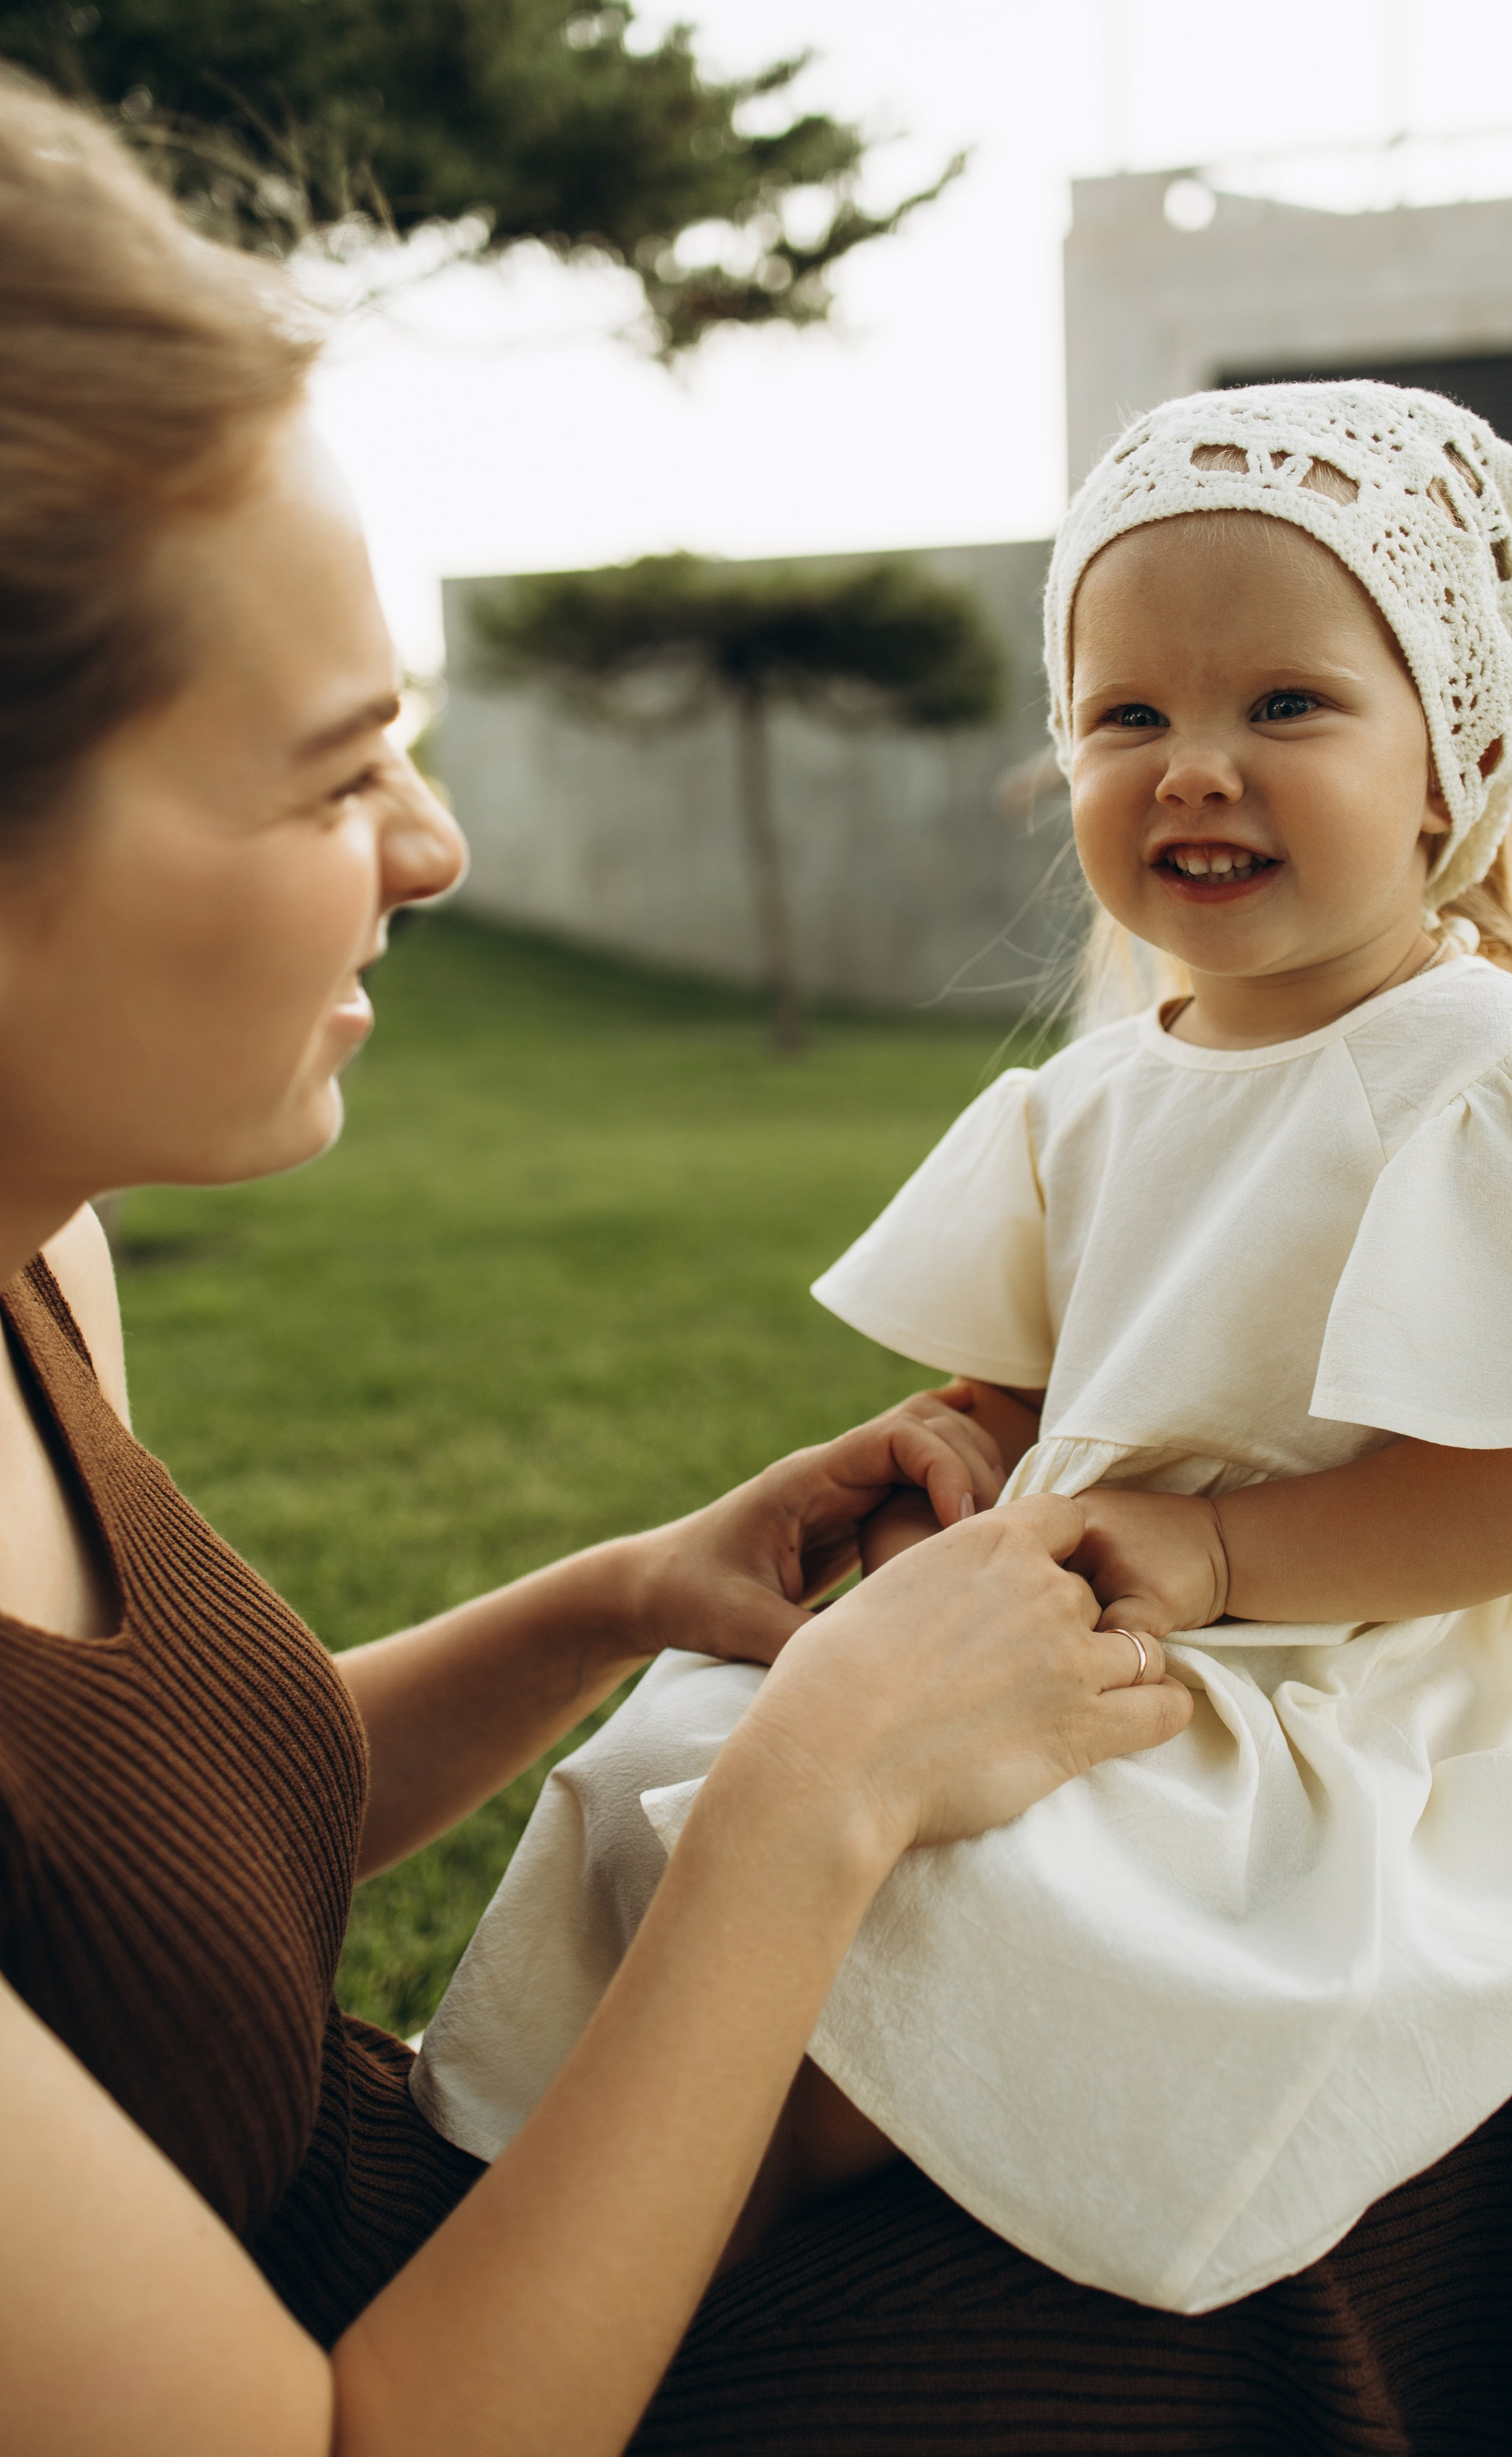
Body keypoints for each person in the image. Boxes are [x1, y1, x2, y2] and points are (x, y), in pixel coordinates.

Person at [0, 74, 1196, 2457]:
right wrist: (816, 1799)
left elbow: (137, 1903)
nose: (431, 849)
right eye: (338, 773)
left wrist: (617, 1597)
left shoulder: (38, 1258)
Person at [413, 383, 1512, 2323]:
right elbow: (1049, 1384)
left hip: (1346, 1691)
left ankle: (713, 2265)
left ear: (1453, 760)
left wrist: (1231, 1559)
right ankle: (601, 2221)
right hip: (1079, 1629)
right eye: (1127, 716)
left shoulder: (1488, 1076)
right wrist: (961, 1450)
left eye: (1285, 707)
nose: (1195, 769)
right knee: (684, 1768)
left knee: (960, 1894)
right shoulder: (1092, 1103)